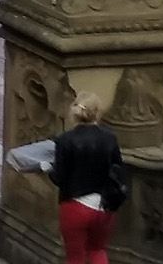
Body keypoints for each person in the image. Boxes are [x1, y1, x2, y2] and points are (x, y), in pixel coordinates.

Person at [49, 93, 126, 264]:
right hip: (103, 207)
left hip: (74, 207)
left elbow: (59, 177)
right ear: (98, 113)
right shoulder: (110, 138)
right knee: (98, 250)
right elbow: (119, 169)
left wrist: (47, 169)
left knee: (75, 257)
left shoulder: (65, 140)